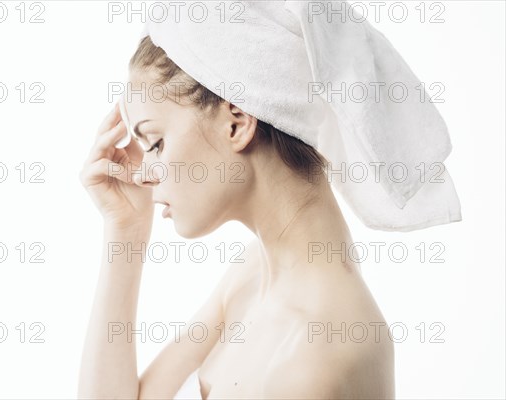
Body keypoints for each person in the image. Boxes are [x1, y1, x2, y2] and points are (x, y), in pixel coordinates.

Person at [76, 35, 395, 399]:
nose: (142, 174)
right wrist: (126, 231)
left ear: (237, 123)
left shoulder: (314, 361)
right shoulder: (254, 273)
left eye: (155, 144)